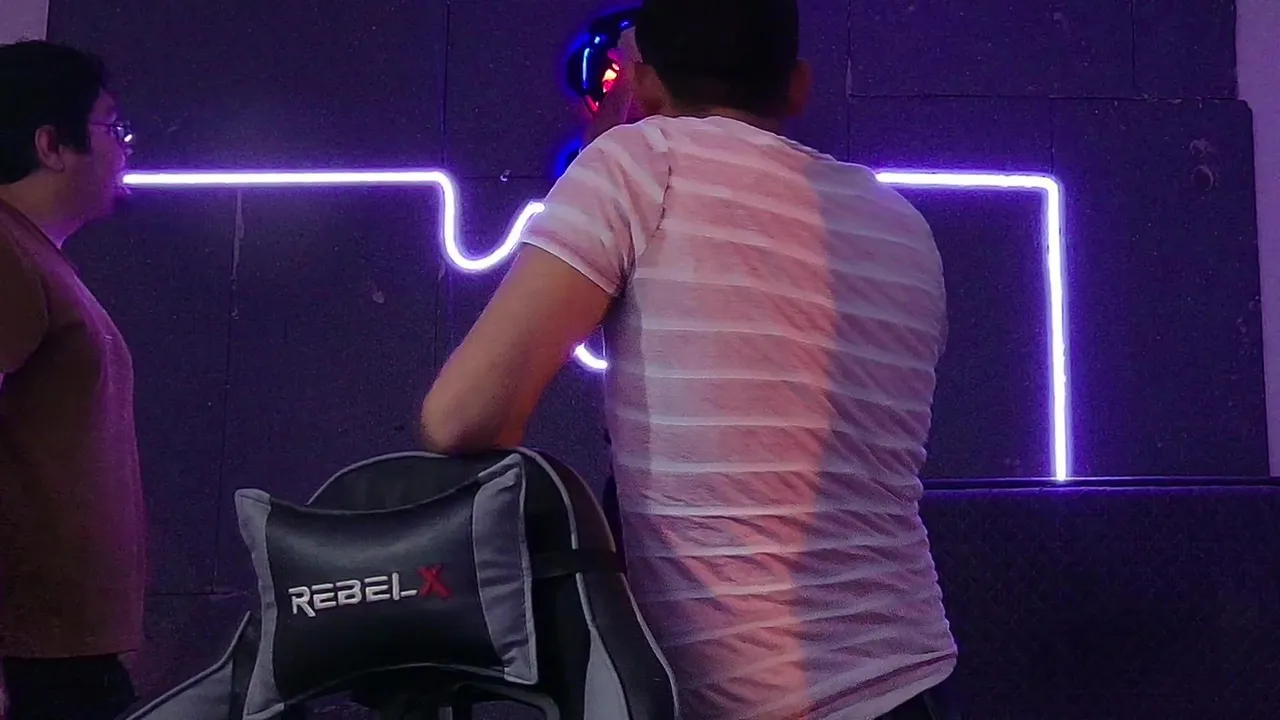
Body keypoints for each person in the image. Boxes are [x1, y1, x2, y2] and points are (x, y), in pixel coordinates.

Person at [418, 0, 958, 716]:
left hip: (759, 703)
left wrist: (613, 139)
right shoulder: (902, 224)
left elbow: (460, 418)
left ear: (642, 85)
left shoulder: (640, 164)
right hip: (916, 678)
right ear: (798, 86)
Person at [0, 40, 144, 720]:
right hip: (29, 663)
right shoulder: (5, 253)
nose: (125, 149)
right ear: (51, 145)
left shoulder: (33, 258)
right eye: (112, 127)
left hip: (58, 656)